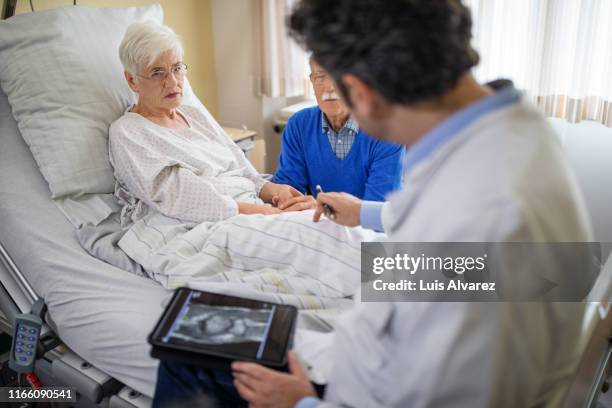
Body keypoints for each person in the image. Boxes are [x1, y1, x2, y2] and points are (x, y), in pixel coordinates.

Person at [153, 1, 593, 407]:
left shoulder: (477, 210)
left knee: (188, 357)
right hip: (387, 347)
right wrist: (367, 213)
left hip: (360, 391)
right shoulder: (511, 133)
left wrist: (303, 402)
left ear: (359, 94)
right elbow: (480, 267)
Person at [109, 21, 311, 226]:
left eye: (177, 68)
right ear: (132, 80)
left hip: (254, 207)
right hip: (218, 220)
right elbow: (180, 197)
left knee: (327, 221)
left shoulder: (195, 115)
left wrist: (275, 191)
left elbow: (243, 168)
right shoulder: (128, 132)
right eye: (157, 72)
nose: (173, 82)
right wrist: (269, 213)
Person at [273, 58, 404, 210]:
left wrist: (323, 209)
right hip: (316, 225)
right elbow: (288, 187)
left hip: (373, 231)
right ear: (312, 83)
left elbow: (378, 211)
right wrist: (287, 198)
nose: (329, 87)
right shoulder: (298, 124)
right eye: (320, 77)